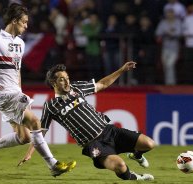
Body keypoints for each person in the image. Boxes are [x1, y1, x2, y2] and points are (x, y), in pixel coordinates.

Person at [0, 3, 75, 177]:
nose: (26, 25)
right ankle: (53, 165)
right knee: (36, 123)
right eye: (24, 22)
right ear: (15, 21)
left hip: (15, 92)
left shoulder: (20, 44)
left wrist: (20, 91)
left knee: (24, 137)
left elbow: (17, 71)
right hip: (4, 94)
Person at [18, 61, 155, 181]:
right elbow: (40, 133)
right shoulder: (51, 106)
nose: (67, 82)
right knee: (120, 166)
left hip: (110, 131)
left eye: (67, 78)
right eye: (61, 79)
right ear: (54, 83)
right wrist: (29, 153)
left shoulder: (77, 88)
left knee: (149, 144)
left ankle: (136, 155)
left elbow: (102, 84)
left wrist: (121, 70)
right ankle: (137, 178)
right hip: (94, 145)